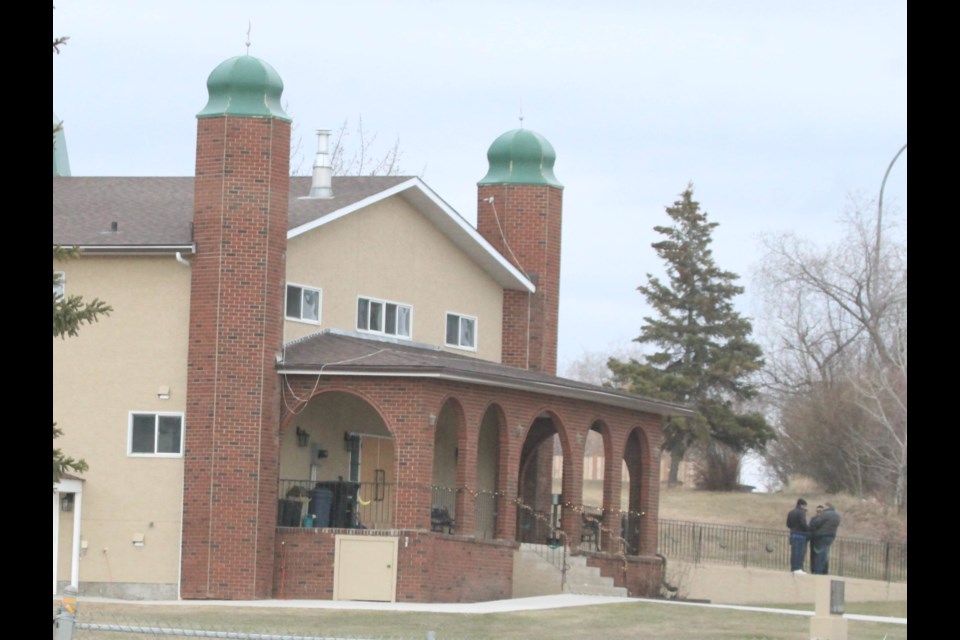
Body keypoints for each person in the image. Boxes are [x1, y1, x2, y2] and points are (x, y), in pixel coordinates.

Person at [809, 502, 841, 574]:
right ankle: (824, 570)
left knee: (820, 554)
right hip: (831, 536)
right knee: (825, 553)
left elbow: (817, 523)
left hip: (821, 535)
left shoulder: (825, 514)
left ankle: (818, 570)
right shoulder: (837, 515)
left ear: (828, 507)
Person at [785, 498, 809, 574]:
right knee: (799, 552)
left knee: (794, 552)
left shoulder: (791, 512)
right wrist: (807, 529)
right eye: (805, 506)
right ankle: (798, 568)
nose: (805, 508)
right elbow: (803, 523)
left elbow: (788, 524)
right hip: (800, 535)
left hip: (793, 534)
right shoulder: (801, 512)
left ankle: (793, 568)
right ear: (802, 505)